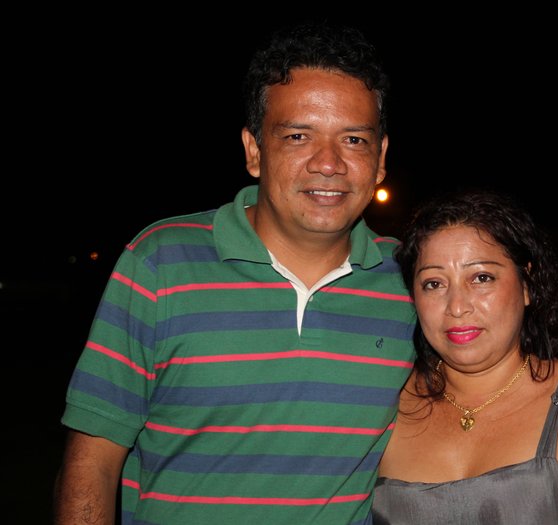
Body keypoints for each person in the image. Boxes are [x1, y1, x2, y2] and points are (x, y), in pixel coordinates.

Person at [53, 22, 416, 525]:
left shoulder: (413, 282)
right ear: (254, 150)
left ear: (379, 160)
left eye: (353, 139)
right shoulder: (161, 262)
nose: (329, 163)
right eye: (298, 136)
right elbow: (91, 462)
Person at [372, 189, 558, 524]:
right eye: (434, 284)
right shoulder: (383, 405)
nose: (457, 306)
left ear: (527, 284)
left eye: (481, 278)